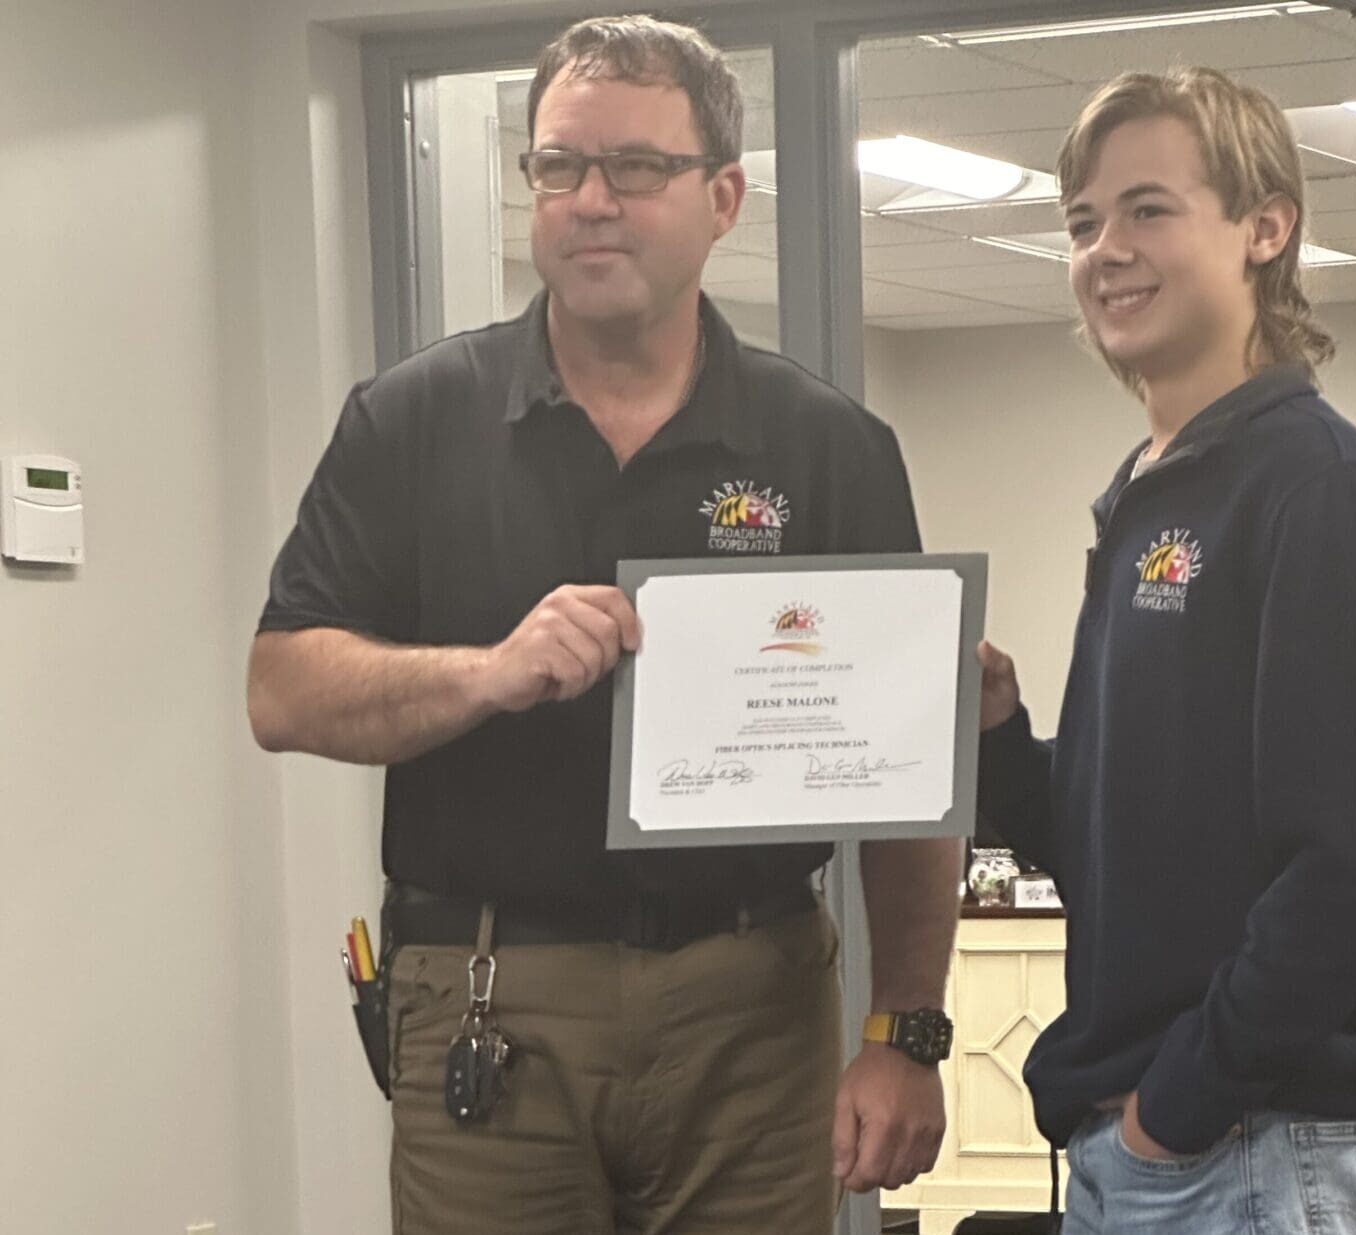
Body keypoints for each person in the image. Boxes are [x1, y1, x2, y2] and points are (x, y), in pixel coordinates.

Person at [247, 16, 960, 1234]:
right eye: (557, 165)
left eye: (635, 168)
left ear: (722, 196)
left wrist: (904, 1028)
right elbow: (281, 689)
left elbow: (910, 775)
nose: (590, 201)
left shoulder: (824, 445)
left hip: (752, 998)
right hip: (490, 999)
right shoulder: (412, 420)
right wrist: (486, 673)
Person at [975, 67, 1356, 1235]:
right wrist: (997, 734)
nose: (1104, 250)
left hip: (1236, 1143)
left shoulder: (1314, 489)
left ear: (1263, 226)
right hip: (1149, 1138)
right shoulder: (1148, 494)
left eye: (1146, 208)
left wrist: (1180, 1103)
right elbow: (1125, 847)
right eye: (1081, 222)